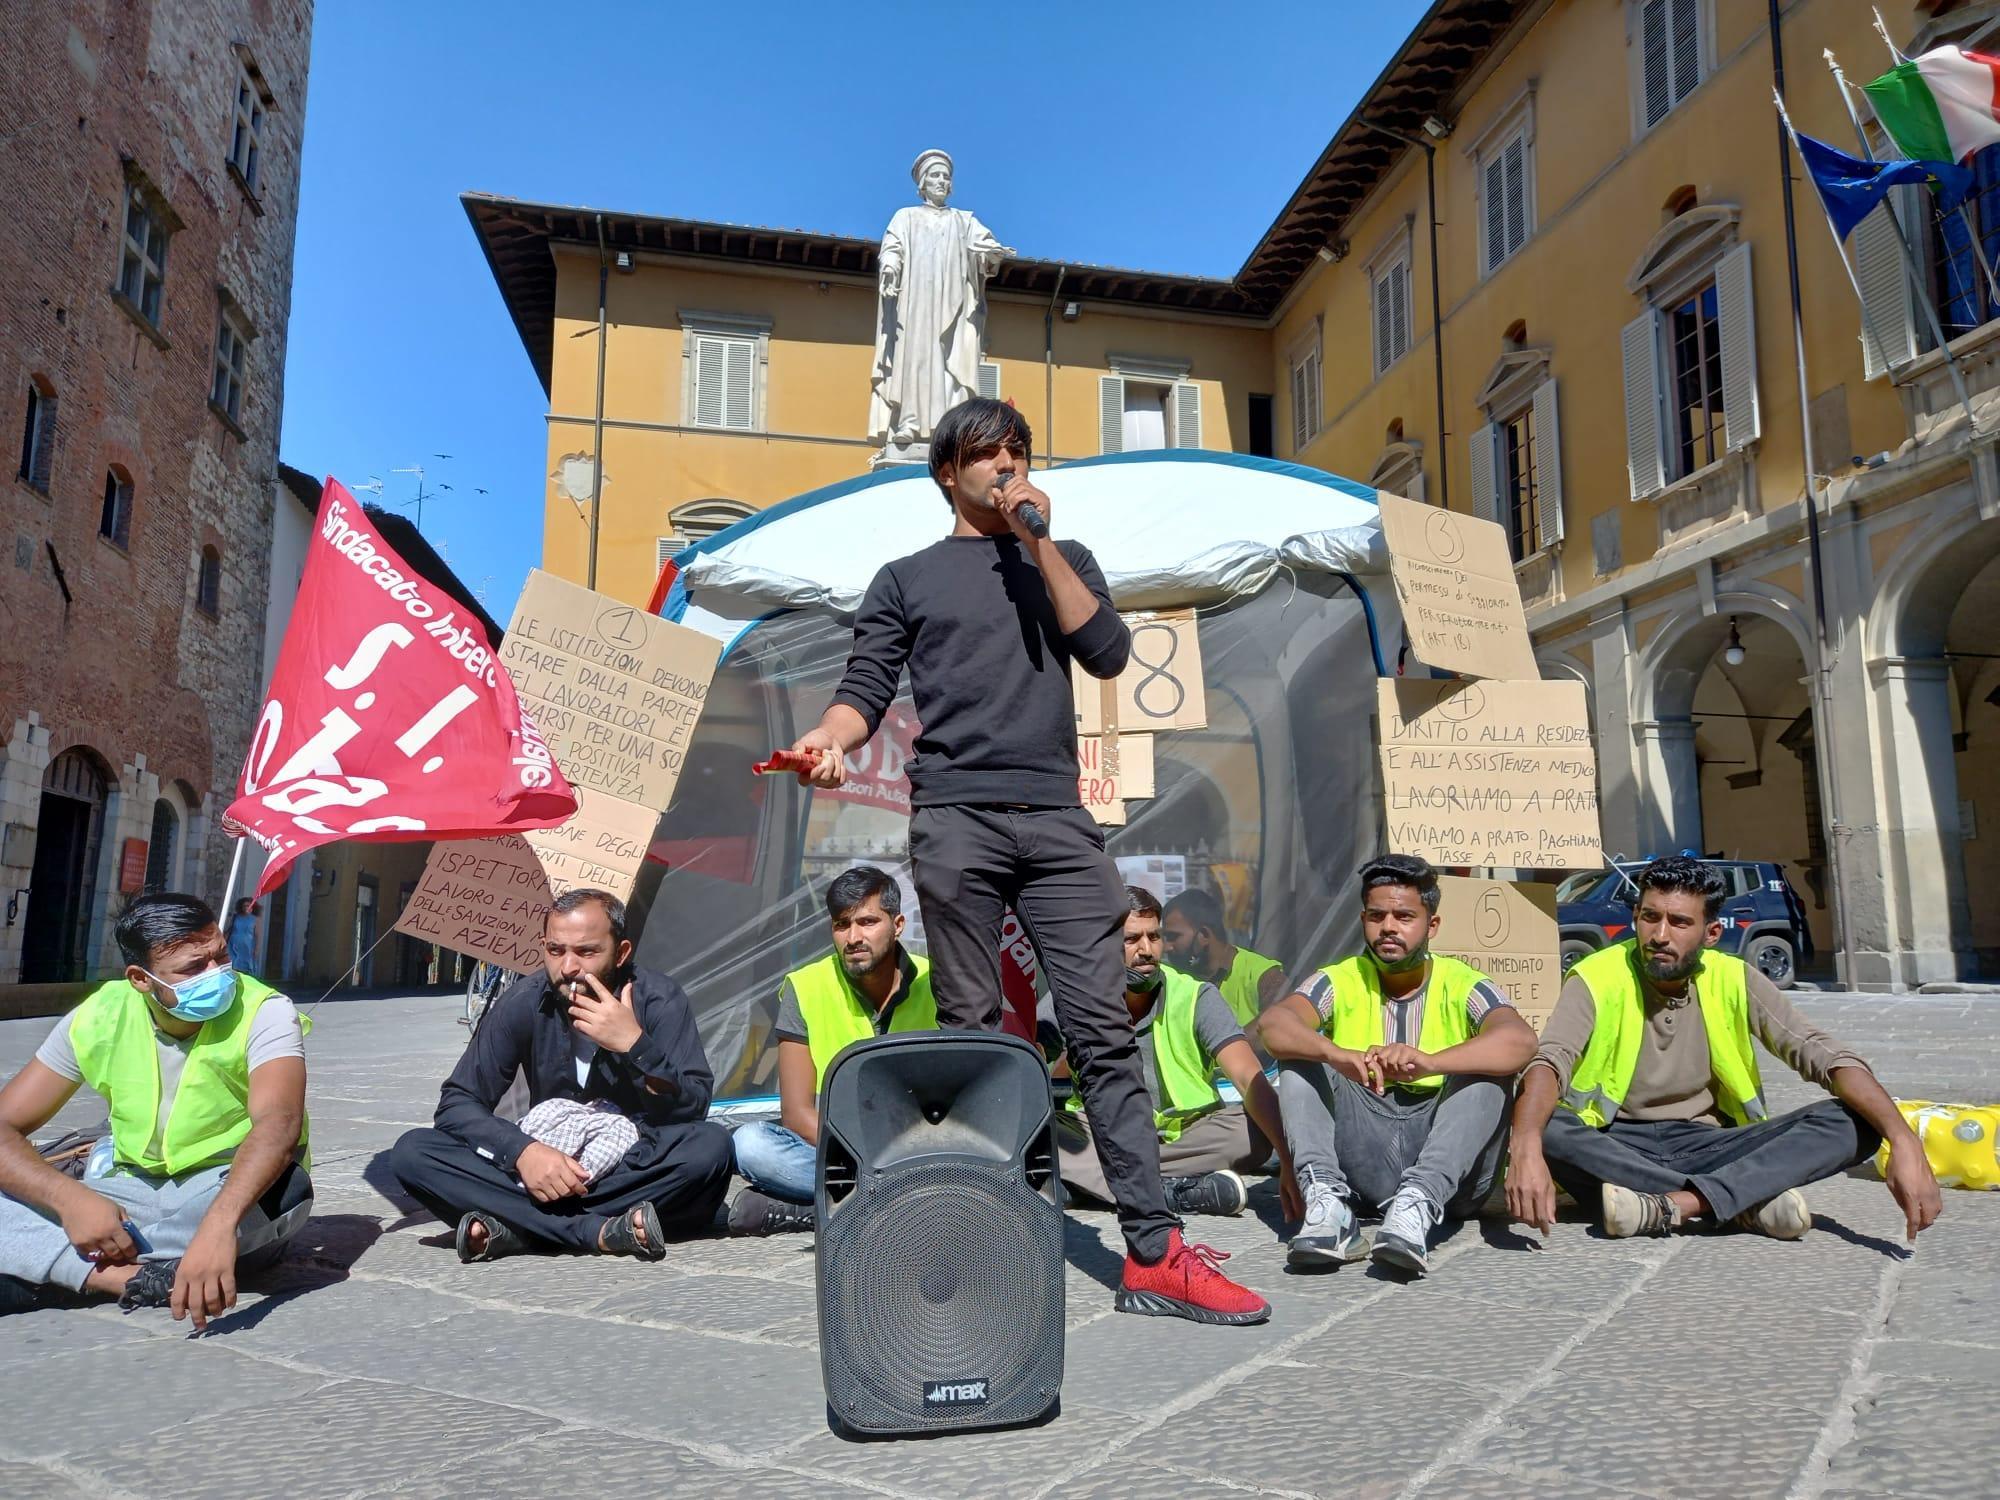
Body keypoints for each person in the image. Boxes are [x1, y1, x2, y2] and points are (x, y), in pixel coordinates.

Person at [787, 396, 1268, 1326]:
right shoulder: (905, 578)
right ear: (946, 473)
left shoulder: (1064, 556)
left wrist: (1038, 540)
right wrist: (829, 740)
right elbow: (864, 690)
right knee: (974, 1034)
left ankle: (1155, 1255)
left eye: (1018, 450)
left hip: (1057, 822)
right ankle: (982, 1238)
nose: (1006, 465)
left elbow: (1108, 652)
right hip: (956, 820)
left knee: (1102, 1033)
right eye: (986, 453)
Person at [1507, 856, 1943, 1243]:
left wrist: (1904, 1141)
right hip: (1615, 1144)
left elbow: (1822, 1054)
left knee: (1856, 1121)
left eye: (1679, 922)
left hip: (1710, 1143)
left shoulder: (1734, 978)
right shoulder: (1596, 976)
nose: (1660, 935)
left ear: (1711, 932)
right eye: (1650, 917)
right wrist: (1525, 1144)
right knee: (1545, 1123)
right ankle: (1740, 1199)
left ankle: (1676, 1205)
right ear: (1636, 916)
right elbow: (1551, 1060)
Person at [0, 893, 311, 1326]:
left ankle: (59, 1265)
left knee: (287, 1189)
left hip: (224, 1190)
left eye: (221, 956)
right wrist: (69, 1200)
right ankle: (126, 1278)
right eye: (193, 968)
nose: (217, 973)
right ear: (140, 979)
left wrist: (219, 1225)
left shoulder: (265, 1010)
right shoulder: (99, 1015)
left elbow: (279, 1122)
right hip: (126, 1192)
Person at [388, 889, 732, 1262]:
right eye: (555, 950)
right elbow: (457, 1104)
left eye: (586, 952)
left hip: (630, 1164)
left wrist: (635, 1045)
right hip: (544, 1165)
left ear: (621, 953)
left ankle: (521, 1227)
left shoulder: (659, 999)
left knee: (711, 1148)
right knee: (413, 1153)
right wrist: (524, 1153)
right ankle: (599, 1231)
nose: (568, 966)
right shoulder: (523, 1001)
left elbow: (692, 1108)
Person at [1259, 854, 1537, 1276]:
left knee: (1488, 1073)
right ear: (1363, 920)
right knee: (1298, 1057)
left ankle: (1415, 1206)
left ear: (1432, 925)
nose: (1388, 927)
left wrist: (1431, 1063)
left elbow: (1520, 1041)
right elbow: (1274, 1025)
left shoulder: (1463, 983)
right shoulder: (1340, 978)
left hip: (1451, 1175)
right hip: (1362, 1160)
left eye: (1404, 917)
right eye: (1377, 916)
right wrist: (1339, 1055)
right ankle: (1329, 1207)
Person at [1055, 888, 1301, 1224]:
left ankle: (1094, 1184)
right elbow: (1035, 1058)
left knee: (1253, 1131)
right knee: (1044, 1134)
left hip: (1184, 1135)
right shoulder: (1076, 998)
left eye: (1154, 936)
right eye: (1132, 939)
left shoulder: (1196, 996)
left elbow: (1247, 1076)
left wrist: (1288, 1160)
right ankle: (1172, 1193)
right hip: (1104, 1132)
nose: (1147, 950)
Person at [728, 865, 937, 1236]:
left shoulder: (936, 982)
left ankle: (818, 1208)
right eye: (842, 925)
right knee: (750, 1144)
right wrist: (867, 1159)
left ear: (898, 925)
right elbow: (797, 1115)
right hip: (840, 1148)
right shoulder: (805, 987)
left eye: (867, 922)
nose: (853, 937)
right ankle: (900, 1197)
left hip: (919, 1145)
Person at [1161, 887, 1287, 1031]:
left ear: (1204, 935)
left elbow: (1283, 1024)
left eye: (1173, 937)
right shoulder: (1176, 981)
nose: (1167, 947)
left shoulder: (1263, 976)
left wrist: (1234, 1042)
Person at [227, 896, 258, 973]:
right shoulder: (235, 917)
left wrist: (256, 949)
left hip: (247, 946)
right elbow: (229, 929)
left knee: (246, 967)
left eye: (249, 905)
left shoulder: (254, 919)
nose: (247, 907)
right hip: (234, 944)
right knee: (233, 965)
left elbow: (257, 935)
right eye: (245, 906)